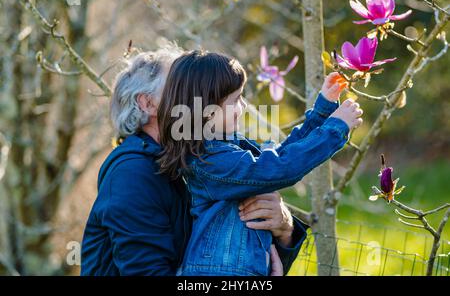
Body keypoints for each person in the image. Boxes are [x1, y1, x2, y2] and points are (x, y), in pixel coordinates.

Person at [80, 47, 308, 275]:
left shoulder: (200, 159)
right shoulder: (132, 175)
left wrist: (283, 228)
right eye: (179, 88)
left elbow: (227, 258)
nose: (199, 97)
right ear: (148, 104)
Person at [156, 50, 363, 276]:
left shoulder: (226, 148)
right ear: (206, 109)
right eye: (236, 100)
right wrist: (335, 129)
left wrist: (323, 110)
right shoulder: (210, 160)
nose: (243, 107)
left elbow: (281, 154)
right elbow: (280, 167)